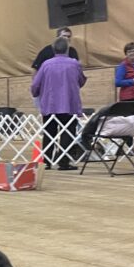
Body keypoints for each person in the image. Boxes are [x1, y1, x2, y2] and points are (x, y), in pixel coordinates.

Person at [30, 37, 86, 170]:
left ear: (53, 49)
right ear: (67, 49)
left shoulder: (46, 64)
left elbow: (35, 85)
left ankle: (47, 162)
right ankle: (64, 162)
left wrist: (35, 94)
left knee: (49, 133)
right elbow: (82, 81)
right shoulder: (75, 64)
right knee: (68, 132)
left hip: (50, 104)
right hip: (69, 104)